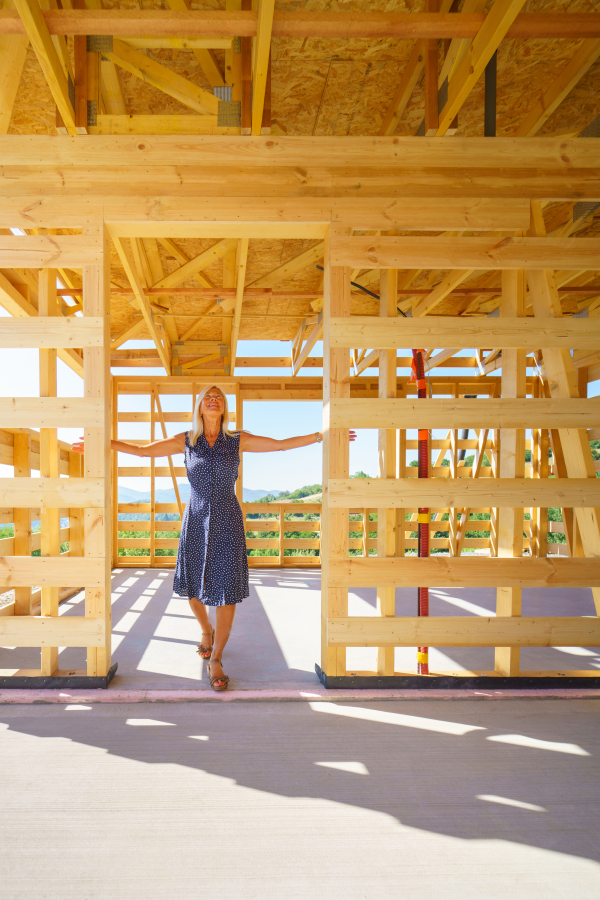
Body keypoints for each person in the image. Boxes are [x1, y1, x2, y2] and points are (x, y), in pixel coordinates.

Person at [73, 385, 355, 691]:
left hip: (227, 518)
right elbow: (143, 451)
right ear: (199, 406)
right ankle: (205, 630)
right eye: (208, 396)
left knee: (226, 590)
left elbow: (280, 445)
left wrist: (320, 435)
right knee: (193, 588)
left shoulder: (237, 440)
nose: (213, 399)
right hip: (195, 518)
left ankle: (217, 658)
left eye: (219, 397)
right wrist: (103, 441)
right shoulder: (186, 441)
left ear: (224, 408)